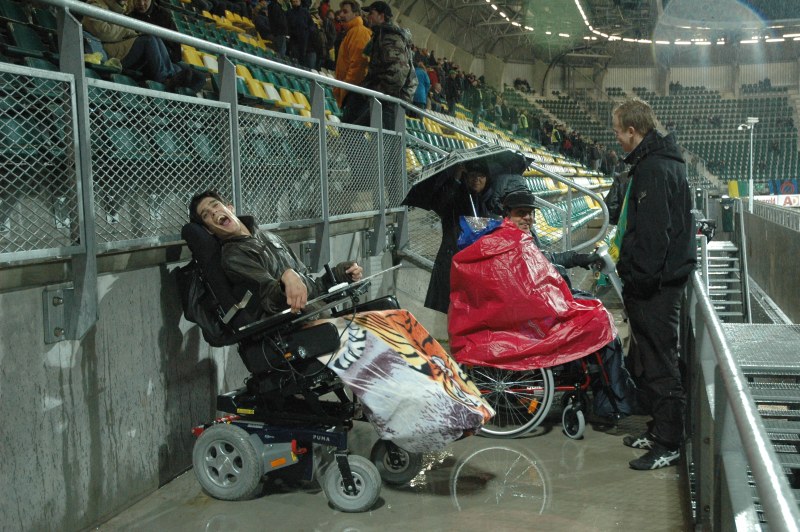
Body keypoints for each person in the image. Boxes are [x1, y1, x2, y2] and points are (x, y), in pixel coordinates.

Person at [611, 98, 696, 470]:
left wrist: (639, 281)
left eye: (619, 131)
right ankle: (658, 428)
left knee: (661, 364)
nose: (617, 139)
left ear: (633, 130)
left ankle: (669, 441)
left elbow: (654, 236)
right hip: (654, 284)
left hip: (656, 287)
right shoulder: (654, 165)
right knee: (649, 360)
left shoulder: (655, 170)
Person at [189, 191, 362, 316]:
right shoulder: (233, 256)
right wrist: (286, 279)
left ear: (230, 208)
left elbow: (310, 287)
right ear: (209, 230)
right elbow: (270, 300)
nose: (214, 212)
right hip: (302, 325)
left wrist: (341, 274)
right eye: (206, 215)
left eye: (215, 205)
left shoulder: (270, 237)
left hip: (322, 313)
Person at [402, 160, 526, 314]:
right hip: (453, 259)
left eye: (481, 176)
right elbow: (443, 202)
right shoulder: (454, 197)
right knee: (451, 308)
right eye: (472, 175)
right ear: (465, 177)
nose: (476, 179)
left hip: (479, 264)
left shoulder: (490, 202)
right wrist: (456, 178)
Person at [83, 0, 204, 93]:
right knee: (149, 40)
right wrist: (131, 29)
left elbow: (176, 50)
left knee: (193, 74)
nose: (141, 4)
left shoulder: (121, 8)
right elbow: (105, 32)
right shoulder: (96, 5)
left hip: (127, 48)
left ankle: (177, 87)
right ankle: (165, 81)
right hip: (110, 51)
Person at [345, 1, 416, 128]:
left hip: (389, 100)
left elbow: (398, 73)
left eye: (371, 13)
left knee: (357, 131)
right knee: (352, 126)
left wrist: (376, 91)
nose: (368, 17)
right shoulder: (381, 36)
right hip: (384, 98)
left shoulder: (390, 38)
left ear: (381, 16)